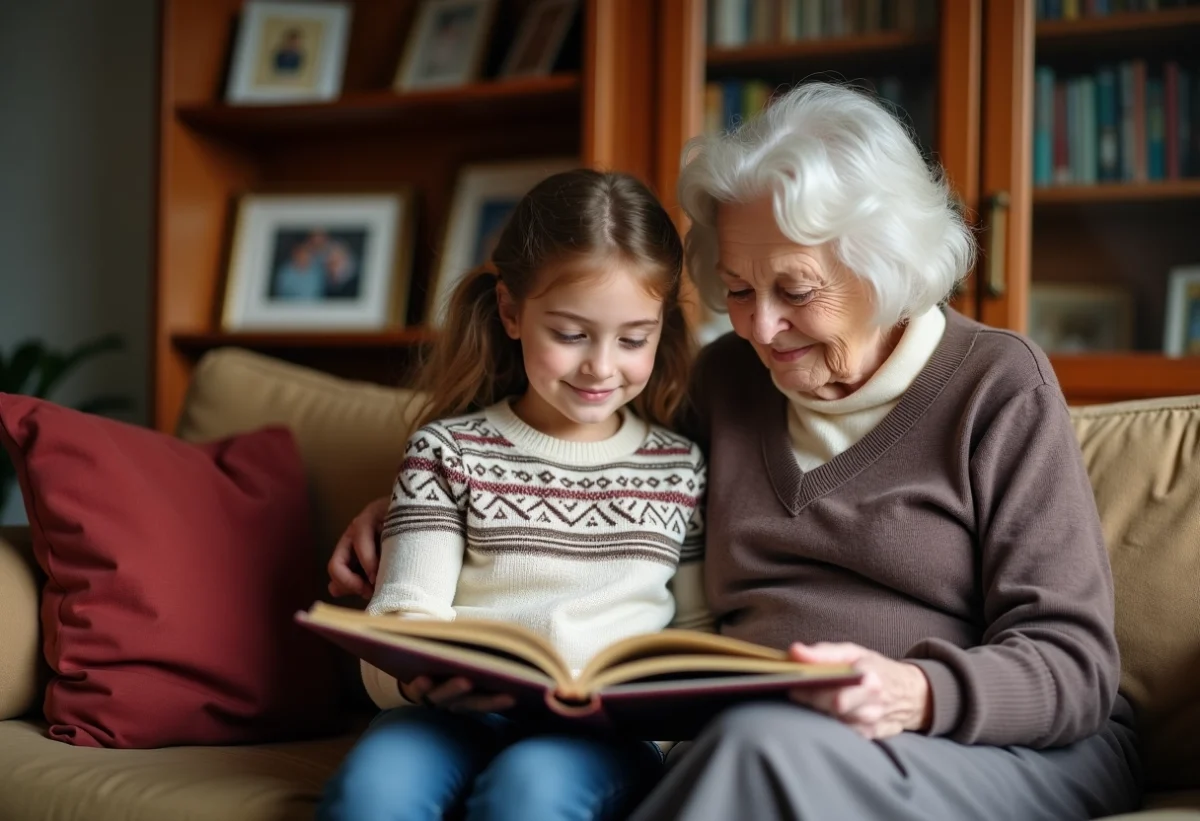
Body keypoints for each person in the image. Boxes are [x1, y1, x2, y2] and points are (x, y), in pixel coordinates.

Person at [331, 83, 1143, 819]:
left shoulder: (996, 383)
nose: (760, 326)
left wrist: (914, 690)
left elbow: (1072, 666)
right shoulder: (726, 378)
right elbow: (587, 453)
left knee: (757, 748)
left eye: (795, 290)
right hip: (760, 740)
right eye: (740, 290)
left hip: (975, 743)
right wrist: (407, 511)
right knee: (743, 748)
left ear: (886, 262)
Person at [317, 169, 710, 821]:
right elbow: (402, 619)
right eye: (571, 334)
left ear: (661, 326)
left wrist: (671, 732)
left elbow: (696, 635)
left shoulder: (679, 467)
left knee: (530, 792)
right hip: (451, 716)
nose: (601, 366)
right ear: (510, 311)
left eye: (633, 339)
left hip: (603, 735)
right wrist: (416, 680)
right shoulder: (447, 451)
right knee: (374, 793)